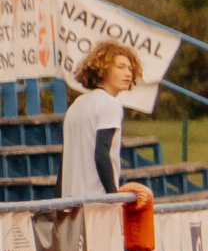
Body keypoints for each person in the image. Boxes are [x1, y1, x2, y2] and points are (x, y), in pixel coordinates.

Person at [60, 43, 154, 212]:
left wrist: (58, 203)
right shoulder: (110, 104)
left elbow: (64, 162)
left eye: (130, 69)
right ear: (103, 69)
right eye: (120, 67)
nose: (128, 73)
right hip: (97, 203)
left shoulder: (76, 105)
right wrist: (113, 198)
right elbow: (102, 154)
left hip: (70, 203)